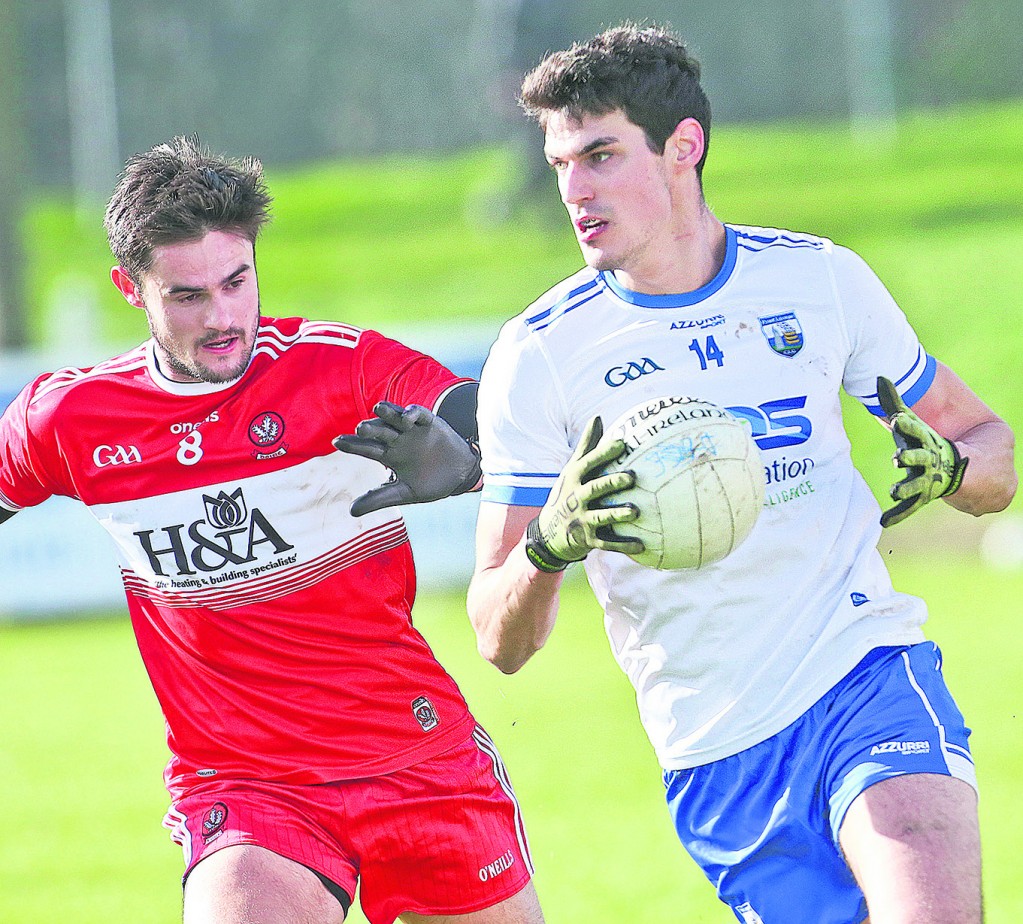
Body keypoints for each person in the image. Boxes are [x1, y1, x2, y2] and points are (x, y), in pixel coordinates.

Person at [467, 24, 1017, 924]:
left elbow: (990, 453)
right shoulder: (539, 355)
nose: (573, 189)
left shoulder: (819, 283)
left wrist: (953, 468)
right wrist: (549, 545)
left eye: (600, 155)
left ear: (684, 146)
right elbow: (501, 641)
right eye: (561, 162)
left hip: (864, 673)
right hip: (718, 750)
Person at [0, 135, 544, 924]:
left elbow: (482, 416)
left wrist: (466, 463)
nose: (222, 317)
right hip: (244, 784)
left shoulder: (339, 367)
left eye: (237, 281)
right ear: (131, 288)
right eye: (187, 296)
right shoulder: (72, 418)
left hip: (418, 758)